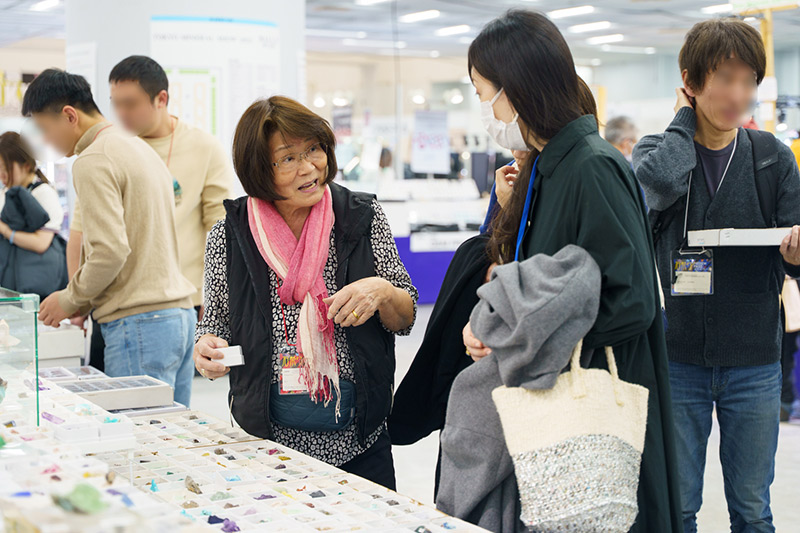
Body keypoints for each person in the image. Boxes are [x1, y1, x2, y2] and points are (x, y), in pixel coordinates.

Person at [461, 10, 682, 532]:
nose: (483, 109)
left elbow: (632, 301)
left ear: (514, 89)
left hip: (598, 413)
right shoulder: (548, 167)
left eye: (482, 92)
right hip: (562, 417)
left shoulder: (591, 167)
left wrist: (522, 337)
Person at [193, 96, 418, 490]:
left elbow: (406, 316)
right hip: (266, 443)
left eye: (314, 149)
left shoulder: (361, 217)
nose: (309, 167)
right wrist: (207, 351)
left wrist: (382, 291)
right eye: (288, 158)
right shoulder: (230, 235)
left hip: (359, 438)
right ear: (259, 169)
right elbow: (214, 326)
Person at [633, 18, 800, 533]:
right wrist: (685, 122)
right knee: (677, 507)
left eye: (749, 80)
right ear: (691, 79)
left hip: (754, 360)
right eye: (725, 77)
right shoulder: (656, 150)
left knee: (753, 511)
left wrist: (796, 252)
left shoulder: (771, 157)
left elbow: (795, 250)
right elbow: (653, 191)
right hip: (678, 357)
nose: (739, 94)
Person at [23, 69, 197, 407]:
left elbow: (109, 251)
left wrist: (70, 299)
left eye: (45, 129)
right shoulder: (137, 146)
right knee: (166, 439)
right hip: (178, 316)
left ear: (69, 115)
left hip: (140, 322)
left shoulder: (94, 159)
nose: (46, 142)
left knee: (137, 446)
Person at [0, 131, 67, 297]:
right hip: (11, 286)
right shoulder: (5, 193)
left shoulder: (43, 193)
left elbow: (41, 243)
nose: (2, 174)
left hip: (37, 288)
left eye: (5, 167)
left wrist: (6, 231)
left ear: (26, 165)